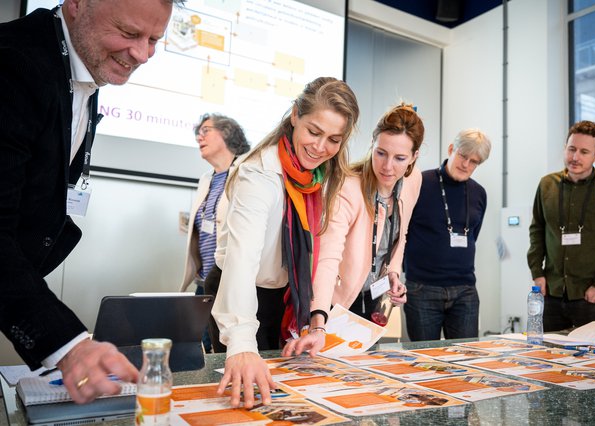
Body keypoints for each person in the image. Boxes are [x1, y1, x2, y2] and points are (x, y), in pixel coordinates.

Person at [0, 0, 178, 404]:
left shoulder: (84, 67)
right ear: (76, 4)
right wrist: (71, 347)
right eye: (130, 34)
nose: (142, 54)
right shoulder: (14, 64)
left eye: (154, 39)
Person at [212, 77, 359, 408]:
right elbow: (242, 261)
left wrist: (316, 322)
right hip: (238, 296)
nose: (321, 147)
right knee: (243, 404)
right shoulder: (258, 174)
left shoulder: (321, 178)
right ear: (295, 115)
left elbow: (320, 258)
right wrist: (241, 346)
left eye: (334, 139)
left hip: (283, 300)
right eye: (314, 131)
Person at [282, 103, 424, 358]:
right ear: (372, 144)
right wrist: (318, 323)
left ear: (414, 157)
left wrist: (393, 272)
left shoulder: (413, 181)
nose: (388, 166)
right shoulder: (348, 187)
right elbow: (328, 257)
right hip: (337, 303)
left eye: (400, 158)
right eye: (381, 153)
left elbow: (400, 234)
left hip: (374, 298)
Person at [527, 120, 595, 331]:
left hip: (592, 297)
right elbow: (537, 230)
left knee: (593, 359)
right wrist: (537, 272)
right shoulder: (547, 185)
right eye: (571, 149)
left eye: (584, 152)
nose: (575, 157)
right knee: (547, 359)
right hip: (551, 294)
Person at [403, 129, 492, 341]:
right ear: (451, 149)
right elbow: (401, 232)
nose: (466, 165)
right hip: (422, 289)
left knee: (467, 357)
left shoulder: (478, 193)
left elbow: (473, 235)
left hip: (465, 291)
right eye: (463, 156)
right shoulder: (420, 183)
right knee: (425, 359)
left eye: (474, 162)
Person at [179, 114, 250, 353]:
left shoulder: (245, 172)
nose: (200, 136)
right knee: (199, 346)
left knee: (223, 347)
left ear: (227, 134)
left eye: (206, 130)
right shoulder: (206, 179)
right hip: (204, 280)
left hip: (229, 279)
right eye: (198, 132)